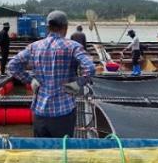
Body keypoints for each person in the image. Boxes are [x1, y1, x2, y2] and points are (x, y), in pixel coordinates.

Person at [8, 10, 96, 138]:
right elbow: (90, 68)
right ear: (65, 27)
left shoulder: (34, 46)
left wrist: (30, 79)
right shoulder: (73, 47)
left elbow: (12, 65)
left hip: (40, 111)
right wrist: (76, 84)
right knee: (62, 147)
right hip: (64, 111)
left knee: (41, 148)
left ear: (48, 27)